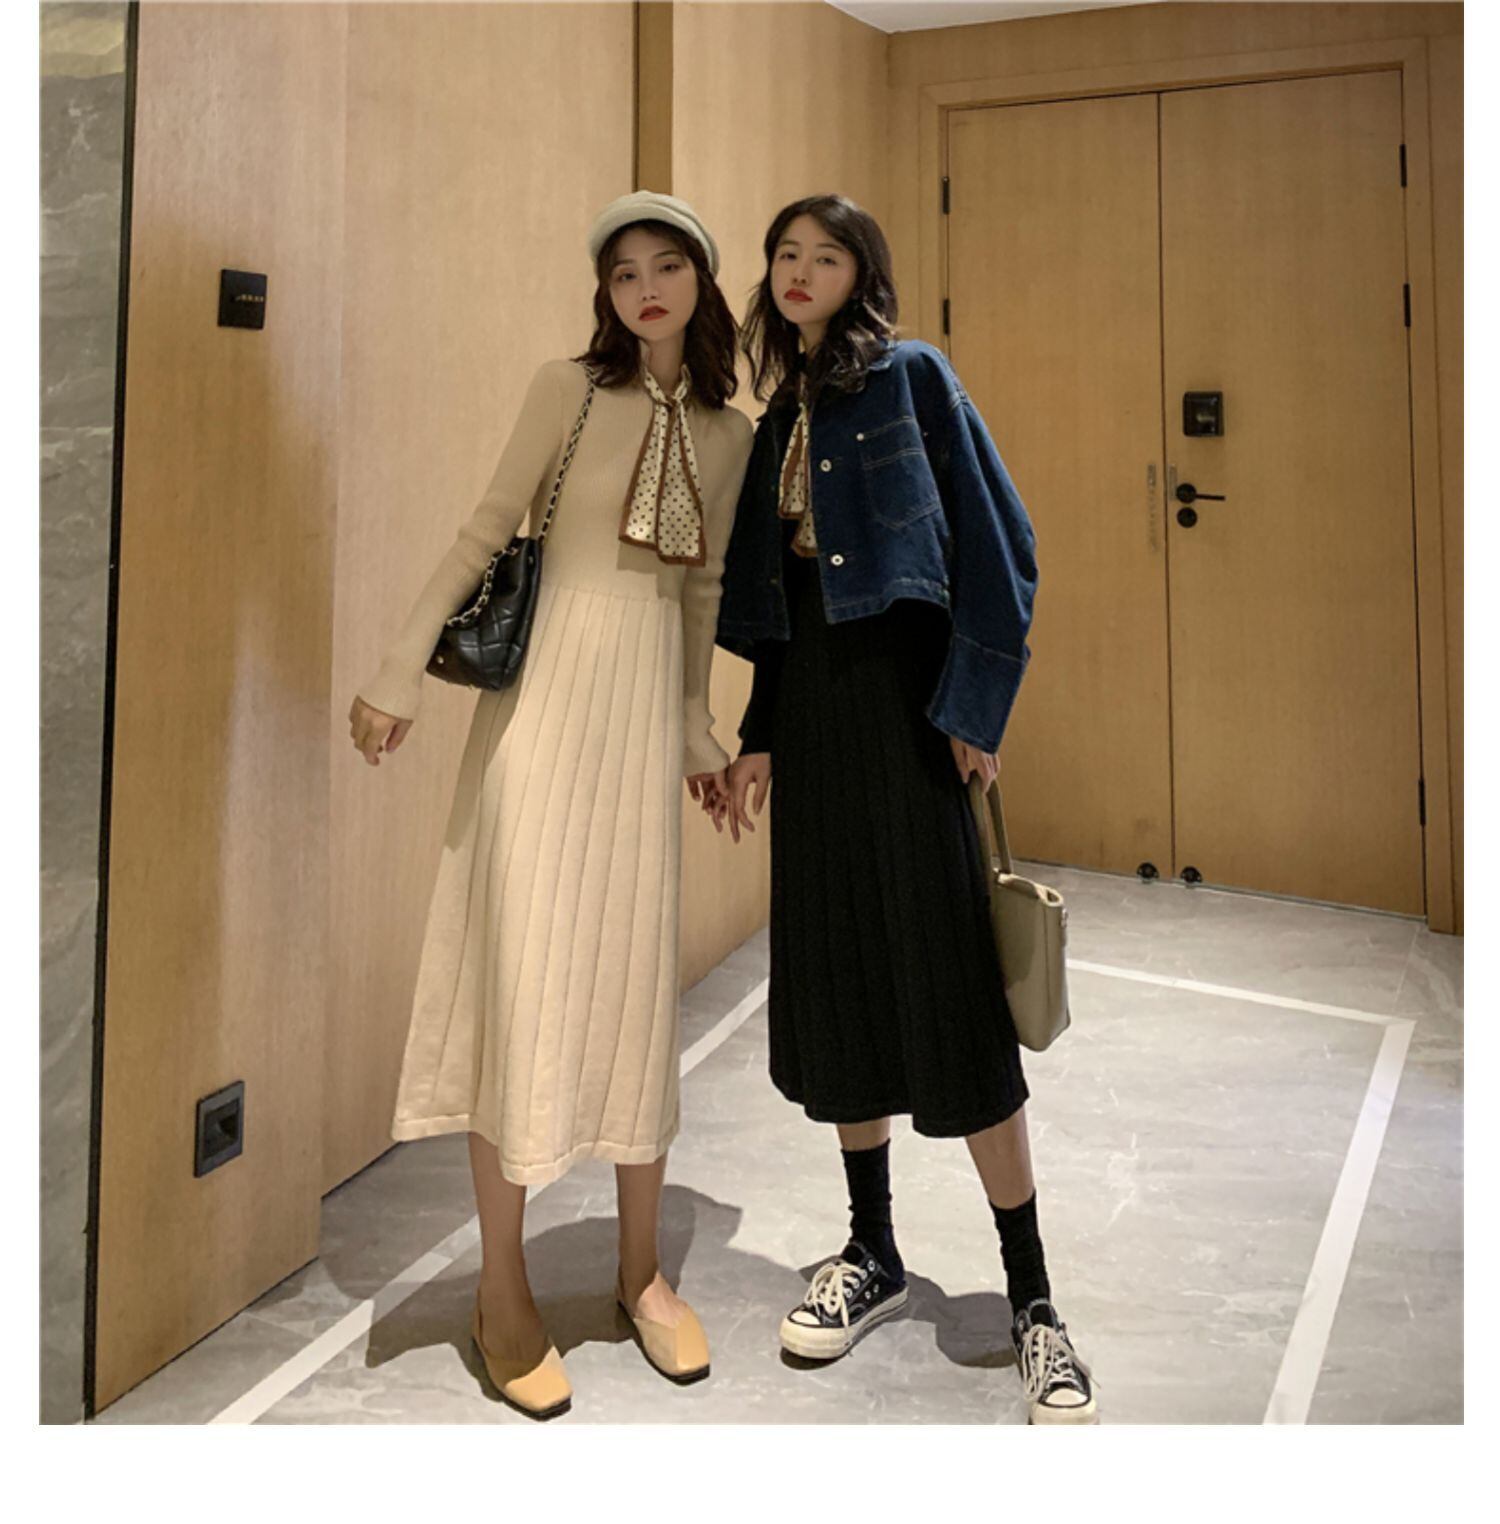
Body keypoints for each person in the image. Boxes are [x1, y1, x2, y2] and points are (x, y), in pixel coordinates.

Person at [348, 191, 753, 1419]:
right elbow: (484, 532)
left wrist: (697, 729)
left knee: (632, 981)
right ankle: (502, 1288)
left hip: (638, 726)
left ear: (700, 282)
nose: (646, 287)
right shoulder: (565, 390)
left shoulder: (729, 434)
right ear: (605, 293)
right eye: (624, 271)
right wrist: (397, 670)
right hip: (539, 714)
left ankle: (641, 1271)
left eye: (667, 266)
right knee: (522, 979)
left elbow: (701, 593)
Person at [704, 193, 1096, 1424]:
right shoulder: (779, 418)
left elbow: (1003, 543)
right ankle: (870, 1250)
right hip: (817, 725)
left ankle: (1033, 1299)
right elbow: (783, 608)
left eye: (825, 256)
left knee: (951, 990)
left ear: (860, 275)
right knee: (837, 978)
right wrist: (760, 736)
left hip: (912, 717)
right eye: (785, 255)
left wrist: (975, 704)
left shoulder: (914, 378)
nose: (800, 271)